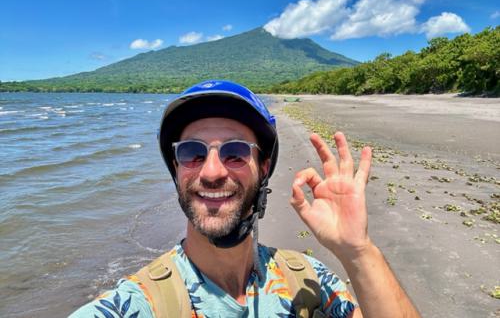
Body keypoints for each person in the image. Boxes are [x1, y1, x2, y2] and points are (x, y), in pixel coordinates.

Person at [70, 80, 420, 318]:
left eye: (235, 153)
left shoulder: (307, 280)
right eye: (192, 152)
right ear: (176, 168)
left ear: (263, 168)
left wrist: (358, 251)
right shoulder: (136, 304)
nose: (211, 172)